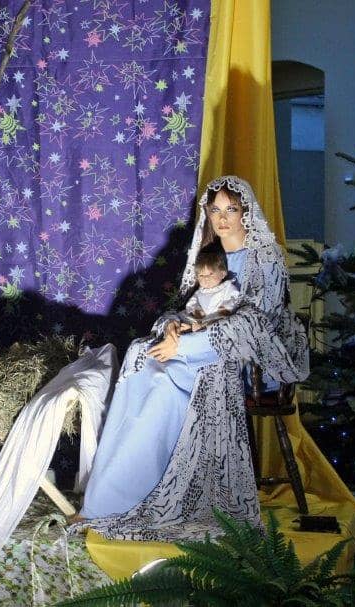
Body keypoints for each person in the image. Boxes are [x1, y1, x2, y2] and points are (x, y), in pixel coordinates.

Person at [77, 175, 309, 541]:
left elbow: (255, 325)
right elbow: (191, 304)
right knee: (141, 361)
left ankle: (122, 500)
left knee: (165, 384)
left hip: (247, 362)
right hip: (203, 346)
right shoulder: (210, 255)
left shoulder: (266, 259)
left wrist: (185, 346)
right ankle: (106, 499)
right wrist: (173, 326)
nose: (223, 218)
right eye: (215, 210)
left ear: (246, 212)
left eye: (231, 209)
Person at [176, 240, 243, 331]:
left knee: (223, 320)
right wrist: (197, 312)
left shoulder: (228, 287)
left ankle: (198, 328)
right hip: (199, 319)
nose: (206, 278)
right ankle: (191, 327)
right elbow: (192, 303)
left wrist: (222, 310)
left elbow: (233, 300)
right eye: (201, 275)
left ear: (223, 274)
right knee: (181, 315)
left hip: (217, 318)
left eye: (210, 274)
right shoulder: (200, 292)